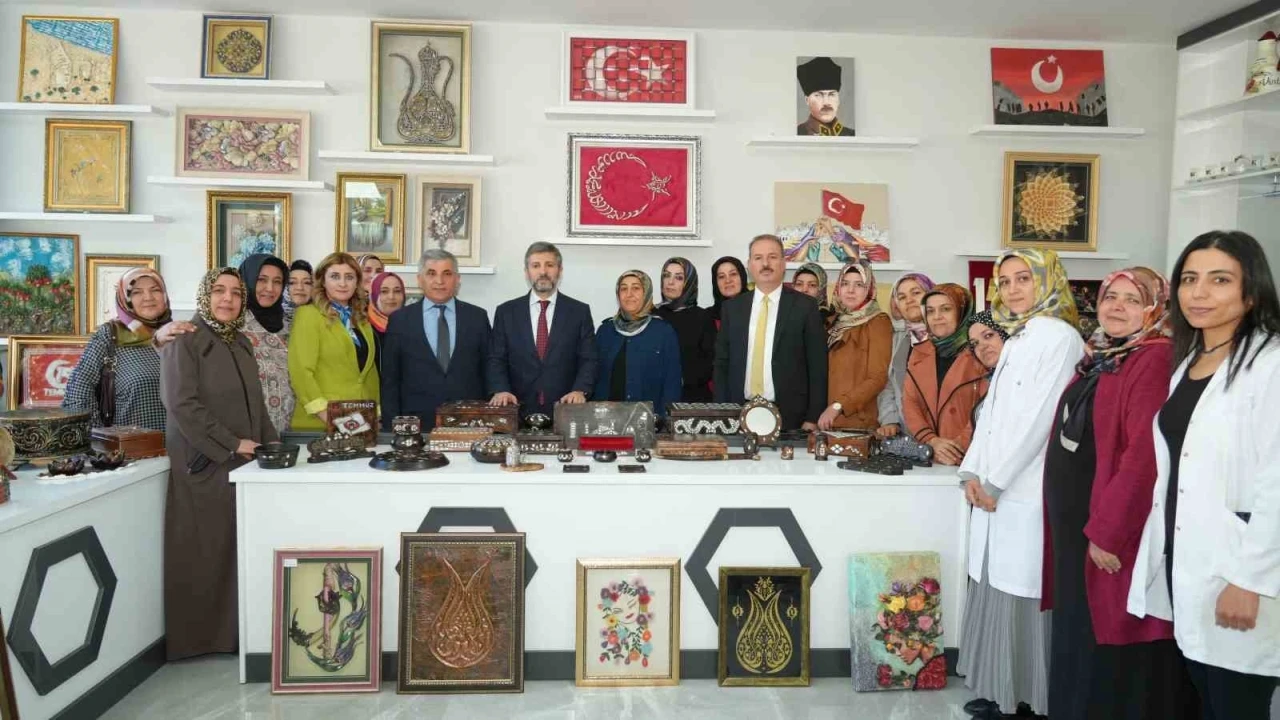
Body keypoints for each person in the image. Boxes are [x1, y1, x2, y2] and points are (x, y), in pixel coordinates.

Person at [1129, 231, 1280, 720]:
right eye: (1190, 279)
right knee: (1206, 700)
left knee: (1238, 705)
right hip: (1190, 563)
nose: (1199, 293)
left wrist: (1249, 581)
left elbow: (1276, 483)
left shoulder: (1271, 365)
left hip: (1242, 572)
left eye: (1219, 280)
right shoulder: (1190, 364)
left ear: (1251, 292)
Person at [1040, 267, 1196, 720]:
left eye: (1132, 299)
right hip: (1078, 524)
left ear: (1155, 308)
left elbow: (1144, 455)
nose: (1117, 307)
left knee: (1111, 636)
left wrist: (1108, 532)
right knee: (1080, 630)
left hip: (1109, 529)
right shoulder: (1108, 354)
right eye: (1111, 297)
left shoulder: (1153, 358)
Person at [957, 248, 1084, 720]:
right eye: (1005, 281)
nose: (1012, 289)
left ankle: (1028, 701)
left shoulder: (1060, 337)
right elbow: (990, 415)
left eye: (1023, 278)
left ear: (1047, 280)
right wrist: (972, 472)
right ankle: (1001, 691)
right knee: (995, 586)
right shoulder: (1020, 335)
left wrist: (995, 481)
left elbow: (1041, 420)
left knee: (1023, 595)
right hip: (996, 488)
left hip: (1026, 488)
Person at [159, 268, 277, 661]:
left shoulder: (240, 342)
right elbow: (182, 405)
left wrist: (272, 445)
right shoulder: (184, 340)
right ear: (204, 296)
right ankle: (201, 641)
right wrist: (231, 444)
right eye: (219, 291)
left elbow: (257, 405)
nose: (228, 299)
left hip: (243, 465)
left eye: (236, 293)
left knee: (234, 551)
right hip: (204, 464)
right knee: (206, 553)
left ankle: (236, 637)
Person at [714, 234, 827, 431]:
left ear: (783, 264)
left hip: (791, 417)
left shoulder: (805, 306)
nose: (765, 264)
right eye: (758, 258)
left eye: (772, 257)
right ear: (749, 265)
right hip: (738, 413)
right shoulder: (732, 309)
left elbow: (817, 366)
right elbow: (722, 364)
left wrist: (813, 417)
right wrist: (722, 412)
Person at [62, 268, 193, 430]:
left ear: (165, 295)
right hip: (131, 443)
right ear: (124, 298)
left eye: (155, 290)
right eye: (137, 292)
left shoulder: (180, 333)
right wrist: (97, 435)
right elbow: (79, 387)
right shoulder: (111, 335)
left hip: (182, 442)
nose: (148, 297)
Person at [381, 249, 491, 431]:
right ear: (419, 279)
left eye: (447, 274)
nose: (439, 281)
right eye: (431, 273)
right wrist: (390, 427)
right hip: (416, 425)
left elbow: (489, 368)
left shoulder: (477, 317)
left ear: (457, 279)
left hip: (469, 421)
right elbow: (390, 379)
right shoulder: (400, 320)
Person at [488, 242, 597, 417]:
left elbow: (589, 358)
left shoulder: (579, 312)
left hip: (566, 409)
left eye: (550, 265)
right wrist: (500, 389)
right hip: (516, 408)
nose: (543, 271)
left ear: (560, 270)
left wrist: (580, 390)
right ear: (526, 272)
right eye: (536, 265)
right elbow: (496, 358)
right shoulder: (506, 312)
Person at [287, 252, 380, 431]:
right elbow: (301, 372)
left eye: (349, 277)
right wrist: (331, 418)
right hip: (320, 423)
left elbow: (369, 374)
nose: (343, 283)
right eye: (335, 276)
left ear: (357, 282)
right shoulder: (308, 315)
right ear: (323, 281)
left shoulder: (361, 320)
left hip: (359, 422)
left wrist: (375, 413)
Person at [902, 283, 988, 465]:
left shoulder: (982, 352)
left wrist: (954, 449)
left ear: (962, 312)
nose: (937, 317)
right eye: (930, 311)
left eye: (946, 309)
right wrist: (931, 441)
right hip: (929, 456)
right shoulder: (919, 352)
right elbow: (911, 404)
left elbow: (987, 410)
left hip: (971, 458)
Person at [817, 260, 893, 431]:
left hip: (858, 422)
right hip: (826, 422)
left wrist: (839, 406)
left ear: (869, 289)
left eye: (859, 285)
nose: (850, 290)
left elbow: (878, 377)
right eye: (845, 284)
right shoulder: (832, 322)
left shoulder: (878, 322)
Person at [595, 270, 682, 416]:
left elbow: (672, 384)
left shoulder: (663, 332)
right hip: (608, 421)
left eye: (636, 288)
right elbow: (594, 376)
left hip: (649, 422)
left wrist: (663, 420)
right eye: (623, 289)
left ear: (646, 293)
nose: (629, 294)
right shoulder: (605, 331)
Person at [238, 253, 294, 434]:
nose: (270, 288)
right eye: (261, 280)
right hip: (248, 432)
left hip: (289, 430)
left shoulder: (290, 325)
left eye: (277, 282)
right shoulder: (234, 325)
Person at [876, 272, 935, 438]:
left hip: (941, 436)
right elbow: (889, 384)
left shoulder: (946, 338)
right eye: (902, 297)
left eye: (916, 293)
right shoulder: (899, 339)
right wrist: (889, 419)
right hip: (907, 434)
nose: (909, 300)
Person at [655, 257, 716, 402]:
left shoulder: (703, 317)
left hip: (691, 400)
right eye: (666, 275)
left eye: (679, 278)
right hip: (655, 397)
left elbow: (711, 362)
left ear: (689, 283)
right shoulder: (651, 315)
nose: (670, 282)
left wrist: (678, 380)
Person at [796, 56, 855, 136]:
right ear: (807, 100)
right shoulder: (798, 134)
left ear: (838, 99)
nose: (826, 102)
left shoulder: (851, 134)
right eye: (818, 95)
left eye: (831, 94)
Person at [367, 271, 406, 367]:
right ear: (374, 295)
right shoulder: (362, 327)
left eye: (397, 291)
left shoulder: (412, 325)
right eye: (384, 291)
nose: (391, 297)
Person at [709, 256, 748, 327]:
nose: (728, 280)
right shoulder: (706, 316)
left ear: (742, 277)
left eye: (733, 274)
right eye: (721, 276)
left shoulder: (757, 309)